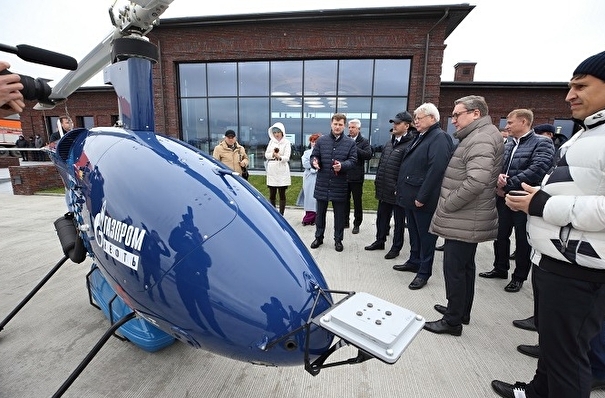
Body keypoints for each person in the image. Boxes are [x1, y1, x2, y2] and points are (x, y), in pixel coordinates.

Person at [491, 50, 605, 398]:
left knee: (568, 359)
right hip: (559, 259)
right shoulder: (589, 133)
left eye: (581, 86)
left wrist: (543, 203)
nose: (569, 95)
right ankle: (538, 392)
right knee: (554, 350)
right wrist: (540, 194)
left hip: (581, 268)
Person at [423, 95, 504, 336]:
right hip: (468, 216)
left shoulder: (480, 138)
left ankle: (452, 321)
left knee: (455, 269)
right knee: (465, 268)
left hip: (464, 215)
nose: (453, 120)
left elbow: (476, 182)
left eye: (458, 115)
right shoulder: (481, 135)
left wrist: (448, 204)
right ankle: (459, 311)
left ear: (476, 113)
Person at [478, 109, 555, 293]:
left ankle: (518, 277)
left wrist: (509, 184)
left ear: (523, 121)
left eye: (510, 122)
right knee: (500, 235)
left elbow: (538, 168)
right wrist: (497, 180)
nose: (507, 126)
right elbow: (498, 166)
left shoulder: (542, 143)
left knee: (522, 240)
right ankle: (500, 268)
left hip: (524, 200)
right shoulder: (509, 144)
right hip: (503, 198)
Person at [393, 103, 453, 290]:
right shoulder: (421, 136)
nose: (415, 121)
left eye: (419, 118)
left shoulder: (439, 138)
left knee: (426, 237)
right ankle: (414, 261)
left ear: (432, 118)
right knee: (414, 232)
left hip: (422, 199)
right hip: (411, 195)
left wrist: (422, 196)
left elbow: (436, 170)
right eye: (415, 118)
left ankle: (424, 272)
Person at [364, 111, 415, 260]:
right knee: (381, 217)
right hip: (384, 187)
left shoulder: (410, 144)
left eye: (398, 123)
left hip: (397, 191)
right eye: (394, 122)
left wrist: (400, 187)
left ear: (407, 125)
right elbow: (381, 165)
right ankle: (380, 241)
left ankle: (396, 247)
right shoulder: (389, 143)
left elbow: (408, 169)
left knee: (399, 221)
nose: (394, 125)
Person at [310, 113, 357, 252]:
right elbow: (314, 155)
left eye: (340, 124)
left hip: (340, 184)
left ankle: (338, 240)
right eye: (335, 124)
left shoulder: (350, 143)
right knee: (320, 214)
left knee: (339, 215)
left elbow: (353, 160)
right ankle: (319, 237)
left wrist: (343, 166)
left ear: (344, 126)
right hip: (323, 182)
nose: (337, 127)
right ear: (331, 124)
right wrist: (314, 162)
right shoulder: (321, 141)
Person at [345, 119, 372, 234]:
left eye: (353, 127)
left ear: (358, 129)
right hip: (344, 175)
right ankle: (345, 221)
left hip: (356, 177)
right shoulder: (344, 139)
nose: (350, 129)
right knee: (344, 200)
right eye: (349, 127)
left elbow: (368, 155)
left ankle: (357, 224)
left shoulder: (364, 142)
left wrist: (354, 147)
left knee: (357, 201)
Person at [265, 122, 291, 215]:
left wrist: (279, 157)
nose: (276, 134)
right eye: (275, 132)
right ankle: (273, 213)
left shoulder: (287, 143)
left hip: (282, 168)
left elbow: (287, 157)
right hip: (272, 169)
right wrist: (272, 154)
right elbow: (266, 155)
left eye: (278, 132)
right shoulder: (271, 142)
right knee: (272, 193)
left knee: (282, 193)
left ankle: (281, 213)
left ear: (282, 132)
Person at [297, 133, 321, 226]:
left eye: (316, 141)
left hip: (319, 177)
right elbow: (305, 163)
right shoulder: (306, 153)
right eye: (312, 141)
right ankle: (308, 218)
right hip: (309, 177)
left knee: (316, 199)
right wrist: (314, 168)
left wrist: (316, 168)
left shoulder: (322, 152)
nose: (314, 143)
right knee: (309, 197)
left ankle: (316, 218)